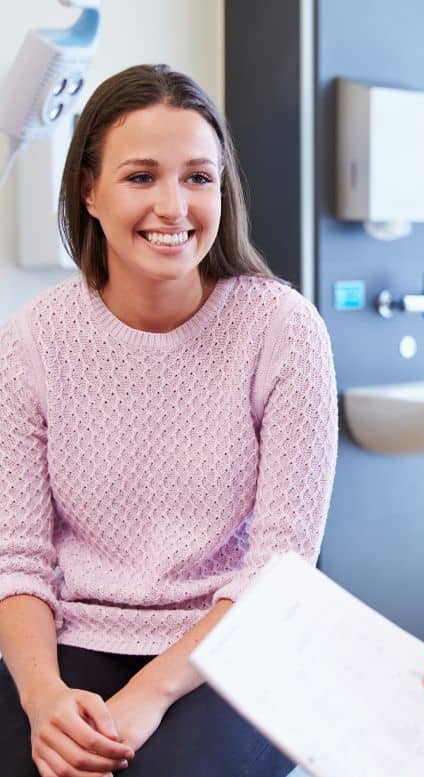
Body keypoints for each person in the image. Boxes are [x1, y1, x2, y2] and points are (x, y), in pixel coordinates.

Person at [0, 64, 338, 777]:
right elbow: (18, 558)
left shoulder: (282, 330)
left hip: (235, 638)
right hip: (76, 633)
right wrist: (42, 697)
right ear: (88, 191)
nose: (173, 205)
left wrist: (146, 695)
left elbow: (278, 570)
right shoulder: (31, 342)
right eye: (141, 176)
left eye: (197, 177)